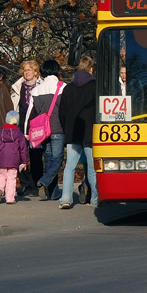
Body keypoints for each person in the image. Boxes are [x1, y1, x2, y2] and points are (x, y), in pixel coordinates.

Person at [58, 55, 98, 209]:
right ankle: (95, 199)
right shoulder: (95, 87)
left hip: (72, 132)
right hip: (90, 132)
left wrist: (66, 128)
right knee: (92, 168)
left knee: (70, 166)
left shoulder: (68, 88)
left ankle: (66, 198)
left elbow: (62, 112)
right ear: (91, 69)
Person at [28, 60, 66, 200]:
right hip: (57, 128)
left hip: (42, 130)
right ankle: (44, 181)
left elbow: (30, 113)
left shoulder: (36, 89)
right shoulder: (62, 87)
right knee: (58, 159)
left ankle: (53, 193)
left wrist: (27, 132)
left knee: (49, 159)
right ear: (57, 70)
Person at [12, 60, 44, 194]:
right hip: (20, 125)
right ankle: (25, 182)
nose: (26, 72)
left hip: (36, 125)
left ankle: (36, 182)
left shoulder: (42, 85)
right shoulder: (18, 86)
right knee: (20, 154)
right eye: (25, 70)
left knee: (36, 155)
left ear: (36, 72)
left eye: (29, 70)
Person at [0, 110, 29, 204]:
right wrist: (24, 161)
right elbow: (23, 149)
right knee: (11, 178)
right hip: (14, 160)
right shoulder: (19, 134)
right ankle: (10, 198)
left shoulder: (0, 133)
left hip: (2, 159)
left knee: (1, 175)